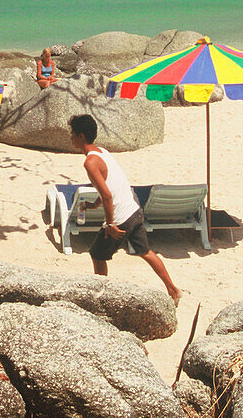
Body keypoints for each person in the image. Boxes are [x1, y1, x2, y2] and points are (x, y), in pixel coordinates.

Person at [69, 114, 181, 305]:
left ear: (80, 136)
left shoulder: (90, 162)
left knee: (97, 254)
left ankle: (101, 297)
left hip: (121, 219)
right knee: (146, 252)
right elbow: (110, 186)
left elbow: (107, 195)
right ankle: (173, 290)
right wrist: (92, 205)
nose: (69, 137)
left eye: (72, 133)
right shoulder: (102, 152)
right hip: (133, 210)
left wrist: (110, 224)